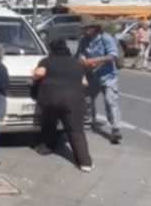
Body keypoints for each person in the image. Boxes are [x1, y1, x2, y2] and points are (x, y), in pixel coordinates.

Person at [32, 39, 93, 172]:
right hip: (74, 100)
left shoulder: (46, 61)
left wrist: (34, 75)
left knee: (49, 124)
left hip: (50, 98)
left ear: (51, 50)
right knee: (76, 131)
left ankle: (46, 148)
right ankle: (85, 163)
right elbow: (84, 83)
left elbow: (38, 74)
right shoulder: (77, 63)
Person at [76, 15, 123, 144]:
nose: (83, 31)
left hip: (108, 76)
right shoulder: (84, 40)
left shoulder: (106, 38)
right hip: (91, 75)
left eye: (85, 29)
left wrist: (95, 60)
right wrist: (83, 62)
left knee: (110, 101)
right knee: (87, 99)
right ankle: (90, 121)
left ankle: (115, 129)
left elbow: (113, 55)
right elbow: (79, 55)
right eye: (83, 29)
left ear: (93, 28)